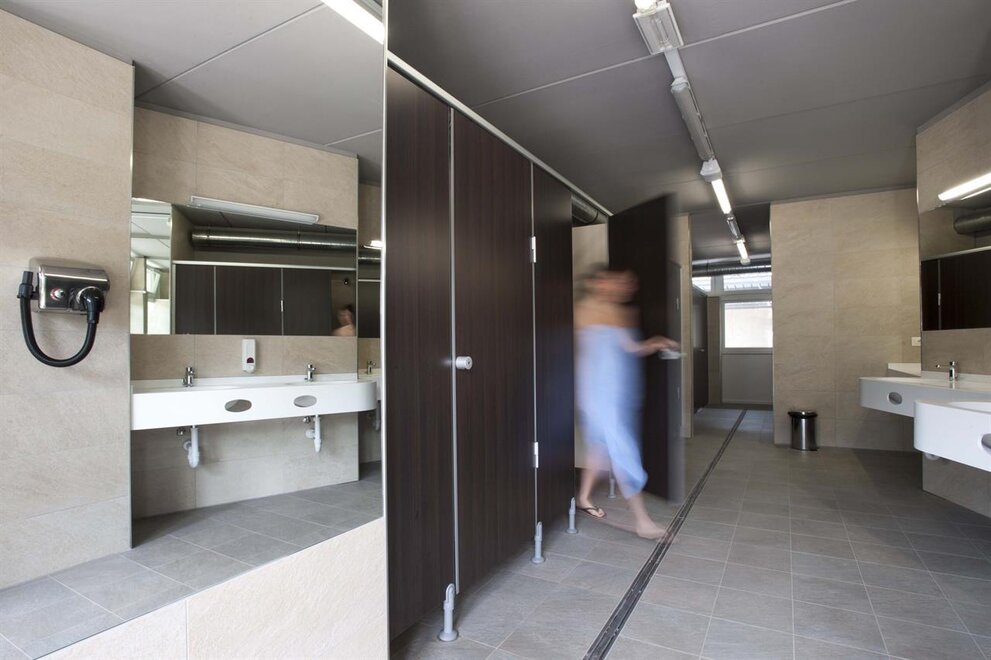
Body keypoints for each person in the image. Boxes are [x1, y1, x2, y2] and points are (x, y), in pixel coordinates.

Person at [575, 265, 678, 539]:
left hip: (615, 393)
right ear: (597, 283)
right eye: (617, 283)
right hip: (597, 395)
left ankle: (583, 497)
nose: (624, 288)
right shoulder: (582, 310)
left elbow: (632, 348)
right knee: (623, 451)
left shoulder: (616, 312)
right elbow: (580, 355)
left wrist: (658, 342)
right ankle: (642, 522)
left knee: (599, 447)